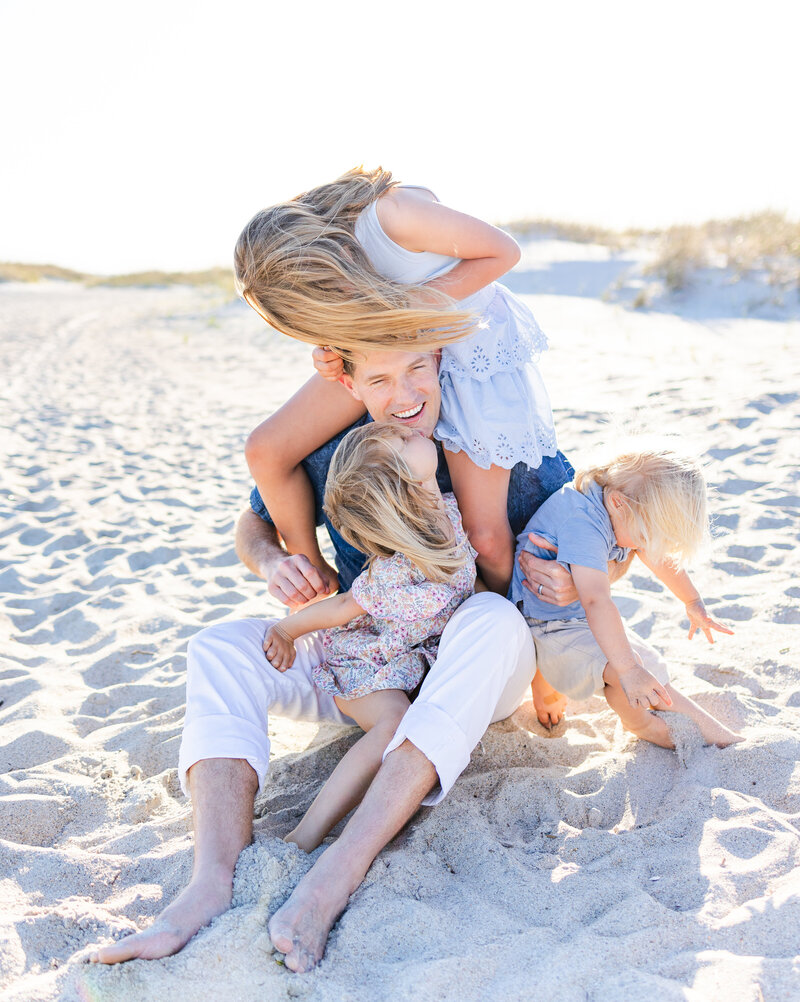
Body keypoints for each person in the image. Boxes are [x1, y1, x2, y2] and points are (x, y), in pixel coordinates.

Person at [88, 347, 585, 972]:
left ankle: (335, 872)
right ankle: (213, 879)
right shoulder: (341, 449)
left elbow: (590, 537)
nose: (403, 394)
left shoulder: (496, 429)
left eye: (416, 369)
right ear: (345, 379)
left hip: (475, 671)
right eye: (378, 377)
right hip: (372, 658)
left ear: (439, 359)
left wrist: (565, 584)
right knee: (219, 648)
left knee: (489, 617)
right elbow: (253, 523)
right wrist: (275, 563)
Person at [236, 165, 559, 594]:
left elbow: (503, 253)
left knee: (485, 536)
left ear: (323, 261)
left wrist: (401, 311)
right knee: (266, 449)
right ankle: (312, 587)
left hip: (468, 347)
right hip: (393, 349)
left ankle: (507, 625)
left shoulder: (392, 216)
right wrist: (333, 347)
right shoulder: (337, 268)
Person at [264, 422, 477, 852]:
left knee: (415, 722)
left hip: (413, 658)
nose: (410, 433)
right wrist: (287, 629)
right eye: (400, 442)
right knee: (392, 724)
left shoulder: (450, 512)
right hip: (370, 664)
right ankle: (308, 831)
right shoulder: (398, 569)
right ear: (404, 486)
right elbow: (344, 607)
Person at [510, 442, 744, 748]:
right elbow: (596, 600)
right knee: (628, 669)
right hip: (549, 627)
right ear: (619, 502)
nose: (645, 545)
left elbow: (657, 556)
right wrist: (628, 669)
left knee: (647, 665)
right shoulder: (584, 522)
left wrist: (692, 601)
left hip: (574, 615)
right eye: (646, 535)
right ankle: (641, 724)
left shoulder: (620, 502)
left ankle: (718, 736)